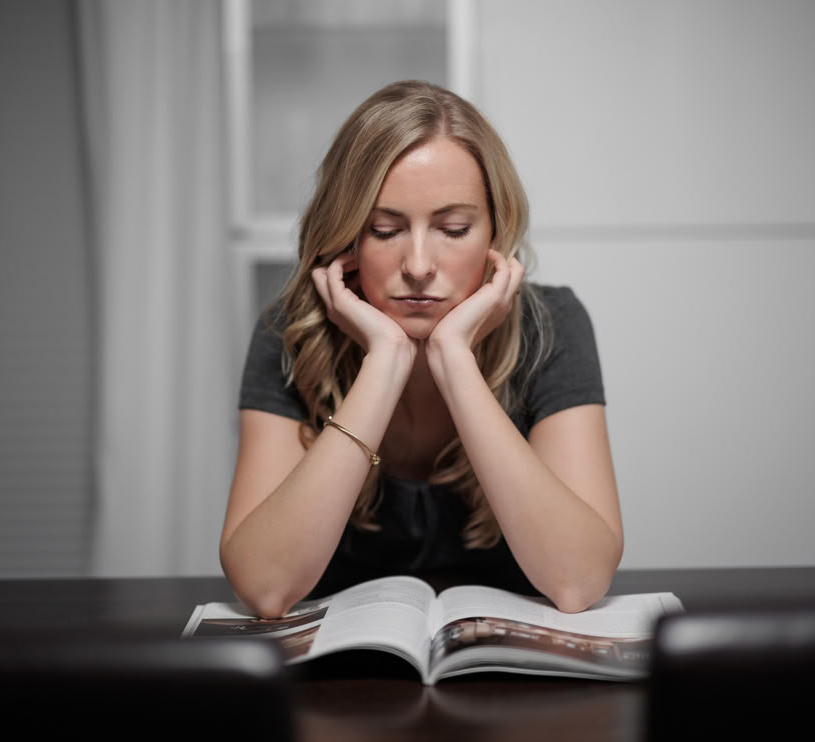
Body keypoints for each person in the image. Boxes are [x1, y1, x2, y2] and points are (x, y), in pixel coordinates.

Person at [219, 80, 622, 618]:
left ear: (495, 235)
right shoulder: (288, 335)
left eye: (453, 228)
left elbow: (579, 579)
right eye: (384, 230)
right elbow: (265, 586)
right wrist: (384, 361)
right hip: (343, 687)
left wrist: (455, 358)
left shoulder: (553, 325)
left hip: (509, 688)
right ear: (347, 241)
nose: (418, 264)